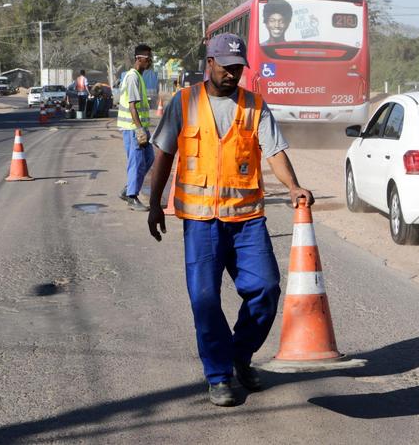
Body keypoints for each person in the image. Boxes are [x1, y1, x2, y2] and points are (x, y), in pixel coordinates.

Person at [146, 33, 314, 407]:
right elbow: (164, 156)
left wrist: (293, 186)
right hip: (201, 222)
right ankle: (219, 375)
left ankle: (239, 354)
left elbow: (275, 151)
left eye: (238, 68)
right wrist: (155, 204)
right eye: (226, 67)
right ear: (209, 64)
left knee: (266, 289)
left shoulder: (255, 105)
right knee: (204, 300)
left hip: (247, 221)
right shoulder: (184, 102)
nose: (232, 74)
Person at [117, 44, 155, 211]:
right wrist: (139, 130)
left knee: (149, 158)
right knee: (137, 162)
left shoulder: (139, 77)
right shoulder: (132, 77)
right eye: (148, 59)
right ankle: (132, 197)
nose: (150, 62)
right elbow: (132, 107)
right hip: (133, 129)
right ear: (139, 58)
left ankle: (128, 189)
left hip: (140, 128)